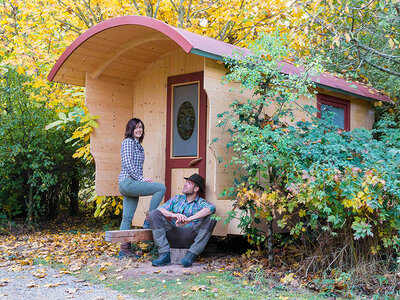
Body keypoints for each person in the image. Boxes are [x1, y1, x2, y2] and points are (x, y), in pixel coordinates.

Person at [118, 118, 166, 259]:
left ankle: (124, 250)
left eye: (141, 127)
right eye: (136, 127)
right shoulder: (127, 142)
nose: (139, 130)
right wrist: (141, 179)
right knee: (160, 188)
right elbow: (127, 163)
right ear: (130, 130)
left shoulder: (138, 145)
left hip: (131, 183)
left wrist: (139, 179)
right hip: (128, 182)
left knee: (127, 219)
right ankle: (149, 219)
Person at [148, 173, 217, 267]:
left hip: (191, 234)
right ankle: (164, 254)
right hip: (173, 232)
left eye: (188, 183)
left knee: (212, 218)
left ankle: (191, 254)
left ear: (196, 189)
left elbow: (211, 208)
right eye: (186, 182)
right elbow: (160, 209)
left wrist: (189, 219)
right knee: (153, 213)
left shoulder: (201, 202)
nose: (185, 184)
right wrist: (174, 215)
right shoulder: (177, 199)